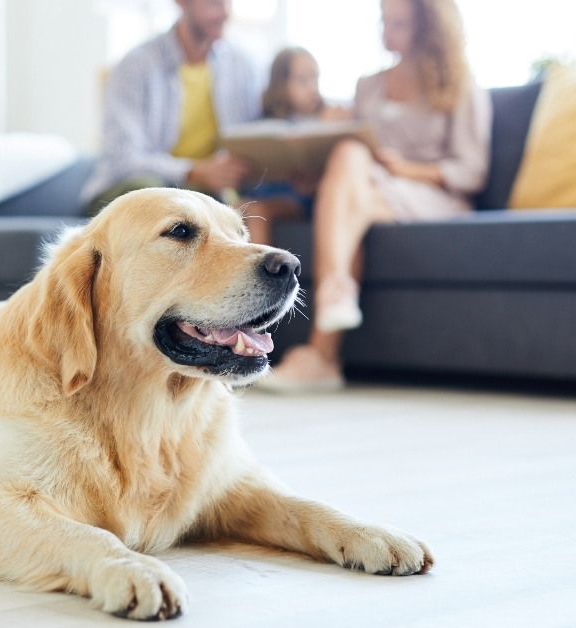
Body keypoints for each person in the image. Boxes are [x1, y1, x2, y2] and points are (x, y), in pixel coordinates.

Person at [258, 0, 491, 393]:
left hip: (432, 195)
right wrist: (313, 182)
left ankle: (324, 348)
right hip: (372, 193)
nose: (387, 31)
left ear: (430, 27)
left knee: (352, 179)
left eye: (398, 23)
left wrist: (407, 168)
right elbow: (349, 171)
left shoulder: (459, 84)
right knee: (349, 156)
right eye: (385, 21)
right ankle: (329, 323)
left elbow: (472, 171)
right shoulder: (369, 85)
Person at [80, 0, 262, 215]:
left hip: (201, 195)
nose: (224, 13)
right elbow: (123, 158)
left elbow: (257, 142)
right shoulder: (137, 65)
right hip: (129, 190)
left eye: (228, 3)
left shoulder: (243, 65)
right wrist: (193, 171)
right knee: (154, 194)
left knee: (222, 207)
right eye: (214, 3)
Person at [245, 46, 351, 244]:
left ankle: (263, 276)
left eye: (315, 78)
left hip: (305, 199)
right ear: (281, 84)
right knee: (238, 207)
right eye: (302, 80)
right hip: (270, 190)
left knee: (255, 211)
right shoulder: (266, 125)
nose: (312, 87)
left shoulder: (331, 117)